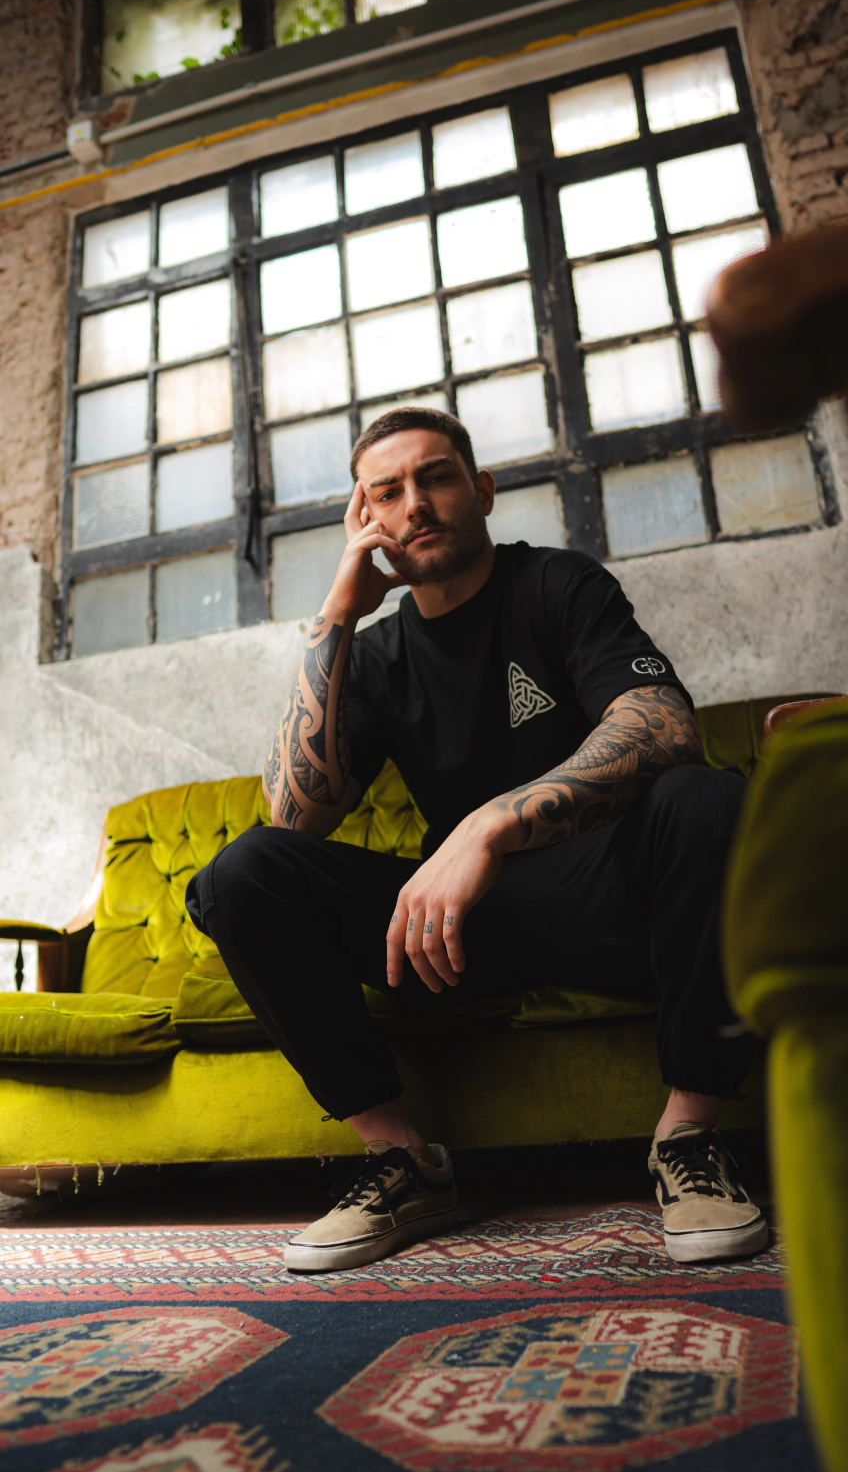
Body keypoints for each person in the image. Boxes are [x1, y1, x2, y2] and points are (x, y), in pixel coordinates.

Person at [186, 407, 766, 1273]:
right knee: (244, 872)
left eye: (436, 477)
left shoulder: (559, 585)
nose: (415, 504)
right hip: (453, 938)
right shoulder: (376, 656)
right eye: (387, 493)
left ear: (482, 490)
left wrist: (490, 824)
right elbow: (294, 816)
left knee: (706, 797)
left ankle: (688, 1140)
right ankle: (401, 1160)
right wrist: (335, 616)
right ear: (365, 521)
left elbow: (661, 725)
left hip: (608, 903)